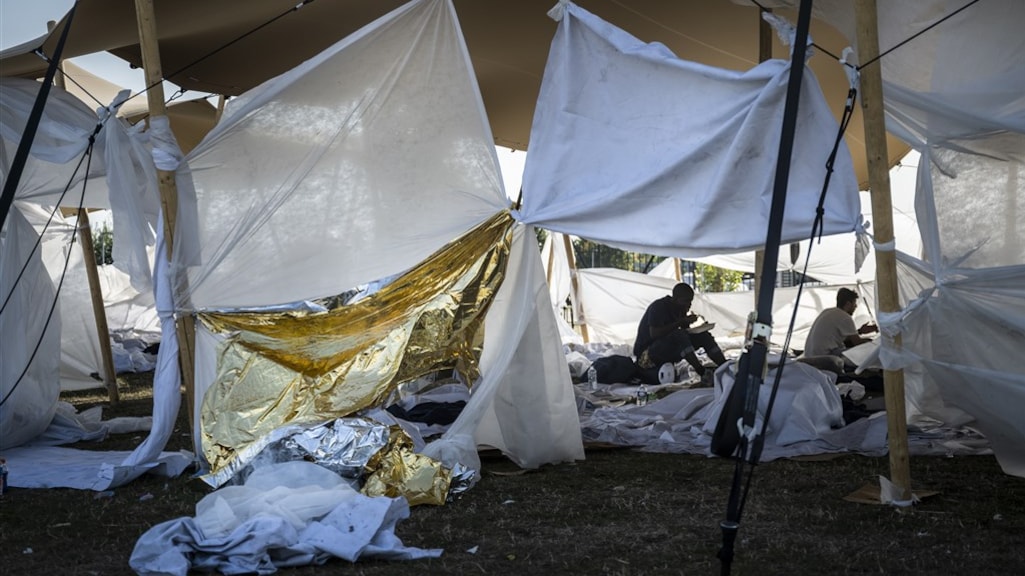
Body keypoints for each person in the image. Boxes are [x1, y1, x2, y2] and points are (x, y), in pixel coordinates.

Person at [633, 283, 727, 383]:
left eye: (690, 302)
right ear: (676, 299)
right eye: (686, 301)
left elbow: (685, 332)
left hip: (666, 348)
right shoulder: (659, 306)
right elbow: (654, 333)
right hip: (647, 355)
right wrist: (681, 322)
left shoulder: (680, 309)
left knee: (703, 336)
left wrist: (699, 328)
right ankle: (702, 372)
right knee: (679, 335)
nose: (689, 305)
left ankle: (724, 365)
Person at [800, 287, 878, 376]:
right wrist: (874, 344)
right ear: (848, 304)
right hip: (825, 357)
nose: (855, 307)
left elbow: (839, 336)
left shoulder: (828, 311)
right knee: (865, 351)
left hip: (810, 355)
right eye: (854, 304)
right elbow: (857, 343)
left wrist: (860, 331)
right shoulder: (845, 317)